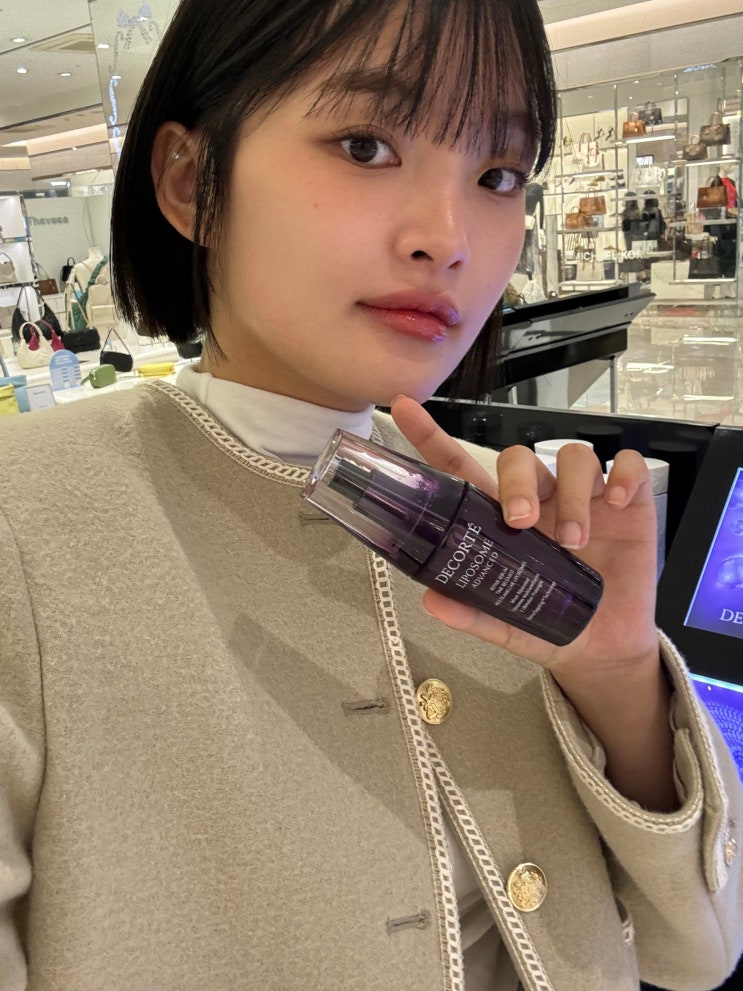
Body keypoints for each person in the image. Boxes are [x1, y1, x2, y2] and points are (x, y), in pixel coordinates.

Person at [0, 1, 741, 989]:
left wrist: (615, 676)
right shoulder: (29, 522)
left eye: (497, 175)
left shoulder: (498, 515)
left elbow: (696, 952)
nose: (448, 237)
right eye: (364, 145)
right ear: (189, 181)